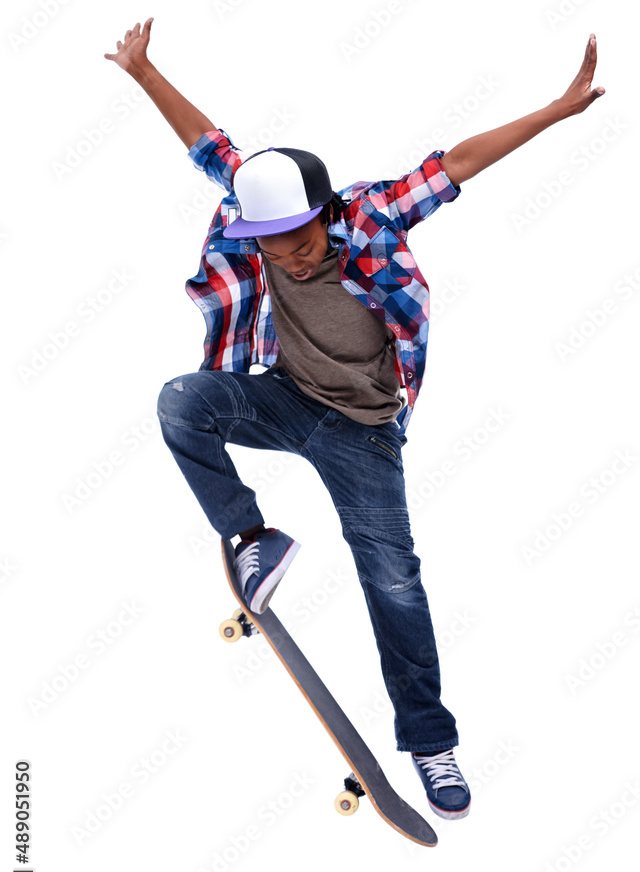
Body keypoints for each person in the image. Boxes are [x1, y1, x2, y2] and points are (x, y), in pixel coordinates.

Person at [105, 19, 604, 822]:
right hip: (285, 397)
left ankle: (430, 743)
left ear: (323, 214)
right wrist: (142, 70)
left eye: (301, 241)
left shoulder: (371, 216)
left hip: (365, 431)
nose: (292, 258)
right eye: (273, 247)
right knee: (182, 403)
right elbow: (208, 144)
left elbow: (458, 163)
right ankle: (253, 536)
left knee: (394, 580)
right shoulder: (256, 211)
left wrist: (553, 109)